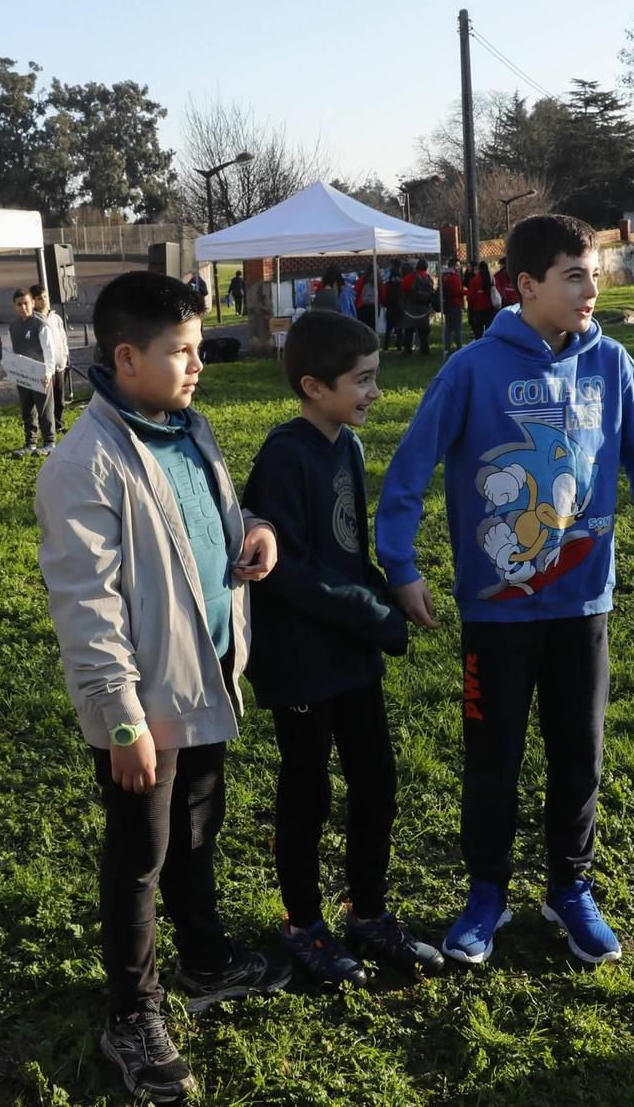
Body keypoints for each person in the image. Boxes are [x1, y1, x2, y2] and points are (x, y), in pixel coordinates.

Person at [376, 213, 634, 968]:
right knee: (494, 756)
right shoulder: (472, 369)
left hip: (584, 605)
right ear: (527, 286)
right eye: (575, 274)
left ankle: (569, 887)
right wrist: (402, 564)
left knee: (579, 752)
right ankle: (486, 891)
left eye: (595, 272)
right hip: (498, 611)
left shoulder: (613, 366)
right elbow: (410, 471)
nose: (592, 287)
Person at [34, 271, 288, 1103]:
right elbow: (87, 607)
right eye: (180, 351)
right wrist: (120, 720)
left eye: (196, 346)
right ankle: (132, 1009)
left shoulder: (188, 427)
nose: (198, 363)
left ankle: (205, 956)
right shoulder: (85, 462)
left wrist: (255, 531)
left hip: (205, 677)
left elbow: (216, 512)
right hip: (142, 709)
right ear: (125, 356)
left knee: (197, 829)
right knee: (139, 853)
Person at [242, 310, 446, 988]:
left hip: (353, 655)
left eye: (374, 378)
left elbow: (350, 553)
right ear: (313, 384)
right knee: (307, 793)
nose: (373, 393)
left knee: (376, 783)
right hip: (303, 659)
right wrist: (373, 611)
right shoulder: (284, 454)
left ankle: (368, 911)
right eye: (361, 381)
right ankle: (304, 924)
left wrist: (391, 591)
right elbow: (292, 572)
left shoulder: (348, 449)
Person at [8, 290, 56, 456]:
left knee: (44, 409)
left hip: (41, 376)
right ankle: (31, 443)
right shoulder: (14, 326)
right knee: (27, 409)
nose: (23, 307)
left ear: (32, 303)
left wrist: (48, 373)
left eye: (26, 303)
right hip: (23, 376)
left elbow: (49, 352)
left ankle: (50, 442)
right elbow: (9, 348)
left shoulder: (40, 325)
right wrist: (4, 364)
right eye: (19, 304)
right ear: (14, 306)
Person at [32, 285, 71, 428]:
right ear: (33, 301)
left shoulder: (56, 318)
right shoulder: (34, 320)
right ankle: (48, 426)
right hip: (45, 368)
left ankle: (59, 424)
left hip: (60, 365)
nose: (43, 300)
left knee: (59, 398)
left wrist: (65, 356)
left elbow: (63, 339)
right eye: (39, 298)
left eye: (45, 296)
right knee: (48, 401)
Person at [442, 260, 468, 353]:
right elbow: (457, 292)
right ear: (453, 266)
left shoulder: (443, 276)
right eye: (457, 265)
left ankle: (446, 347)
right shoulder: (454, 277)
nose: (459, 267)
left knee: (448, 327)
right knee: (457, 327)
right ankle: (459, 346)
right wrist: (467, 292)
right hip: (456, 304)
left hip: (447, 304)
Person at [467, 260, 497, 336]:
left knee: (478, 332)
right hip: (489, 308)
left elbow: (470, 296)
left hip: (477, 309)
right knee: (489, 329)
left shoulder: (474, 280)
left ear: (479, 269)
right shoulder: (491, 279)